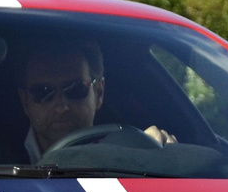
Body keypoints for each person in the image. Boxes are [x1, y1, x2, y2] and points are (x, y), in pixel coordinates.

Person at [17, 40, 173, 160]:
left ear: (99, 92)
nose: (61, 106)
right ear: (24, 102)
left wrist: (157, 151)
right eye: (43, 92)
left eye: (76, 89)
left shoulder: (129, 150)